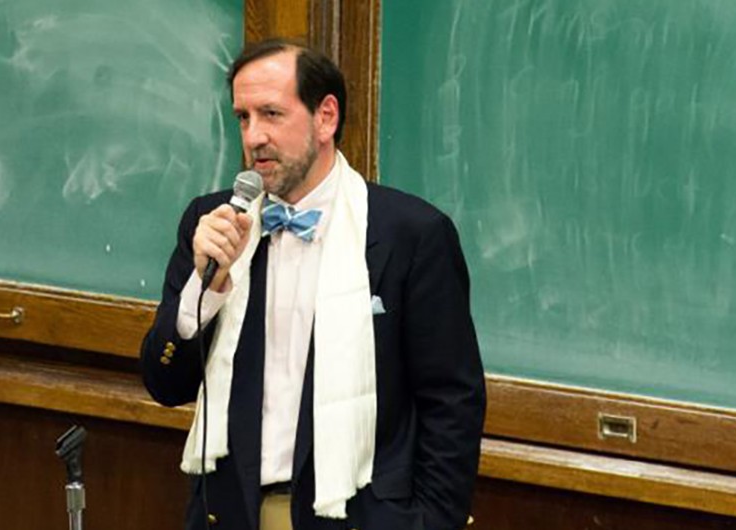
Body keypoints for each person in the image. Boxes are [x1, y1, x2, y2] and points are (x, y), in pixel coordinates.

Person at [141, 38, 485, 530]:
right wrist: (206, 285)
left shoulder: (410, 234)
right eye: (243, 117)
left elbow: (453, 401)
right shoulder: (214, 222)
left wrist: (429, 522)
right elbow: (165, 383)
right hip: (232, 511)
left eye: (272, 114)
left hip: (358, 515)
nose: (254, 136)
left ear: (326, 117)